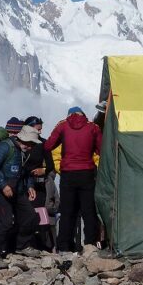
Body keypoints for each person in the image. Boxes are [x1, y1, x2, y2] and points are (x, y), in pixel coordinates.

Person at [43, 106, 102, 253]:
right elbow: (101, 149)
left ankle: (64, 246)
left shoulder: (63, 125)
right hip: (87, 173)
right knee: (89, 211)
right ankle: (90, 244)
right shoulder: (93, 127)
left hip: (68, 173)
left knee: (68, 211)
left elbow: (48, 145)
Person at [0, 125, 40, 268]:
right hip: (1, 191)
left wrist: (30, 186)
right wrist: (3, 185)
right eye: (31, 143)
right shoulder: (6, 147)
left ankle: (22, 245)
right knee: (7, 221)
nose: (32, 147)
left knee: (31, 216)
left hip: (18, 191)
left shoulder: (23, 152)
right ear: (24, 140)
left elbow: (25, 172)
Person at [23, 116, 58, 251]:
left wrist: (43, 170)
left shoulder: (43, 144)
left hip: (40, 186)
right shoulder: (22, 144)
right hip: (25, 185)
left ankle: (42, 245)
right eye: (38, 129)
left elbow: (50, 165)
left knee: (39, 215)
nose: (40, 132)